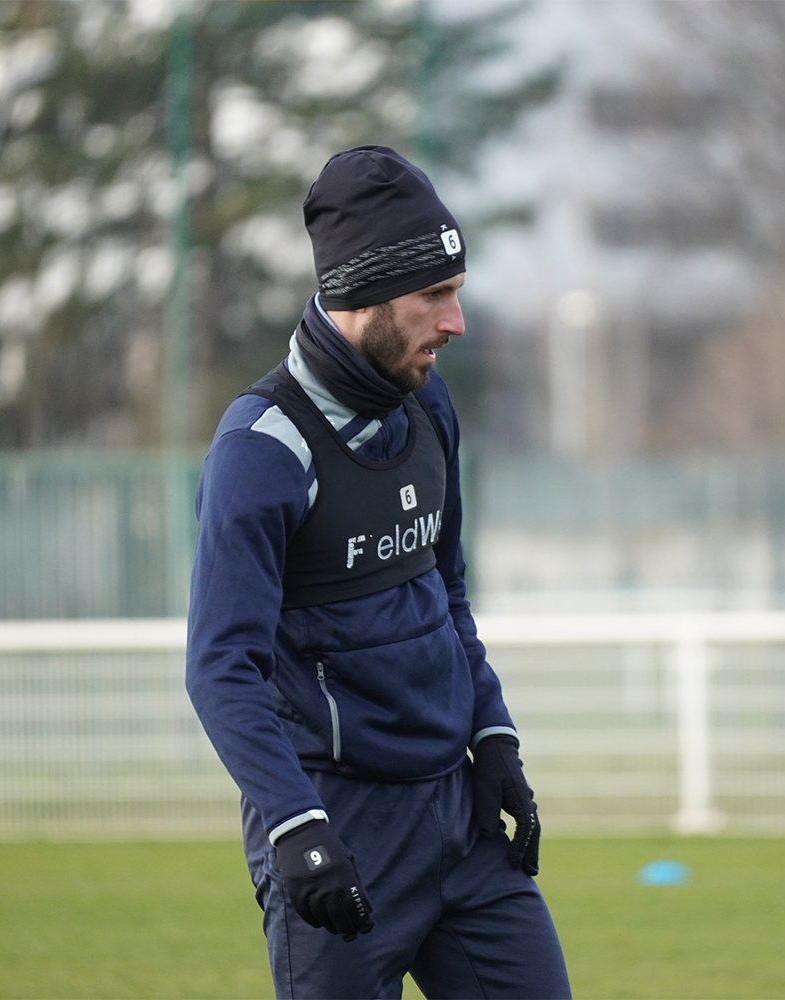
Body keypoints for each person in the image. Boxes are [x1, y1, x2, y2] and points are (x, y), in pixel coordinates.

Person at [186, 145, 571, 1000]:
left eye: (457, 292)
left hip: (458, 815)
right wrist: (295, 824)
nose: (455, 322)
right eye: (435, 295)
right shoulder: (260, 452)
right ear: (364, 295)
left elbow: (446, 593)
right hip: (339, 829)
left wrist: (493, 736)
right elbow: (221, 668)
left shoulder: (430, 406)